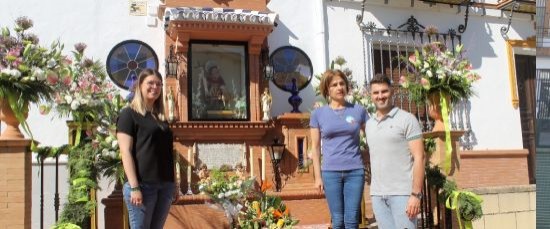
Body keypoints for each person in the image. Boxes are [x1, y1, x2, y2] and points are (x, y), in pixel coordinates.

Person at [117, 68, 175, 229]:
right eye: (150, 83)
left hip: (165, 185)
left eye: (159, 84)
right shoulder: (128, 115)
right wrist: (134, 187)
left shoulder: (160, 118)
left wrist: (172, 183)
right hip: (143, 185)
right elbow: (125, 152)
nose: (155, 87)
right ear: (140, 86)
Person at [310, 70, 369, 229]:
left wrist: (370, 159)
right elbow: (315, 148)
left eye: (342, 83)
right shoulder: (318, 114)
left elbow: (372, 137)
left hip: (355, 171)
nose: (339, 87)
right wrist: (318, 177)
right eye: (334, 84)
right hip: (330, 173)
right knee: (338, 220)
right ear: (327, 89)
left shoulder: (359, 111)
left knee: (351, 220)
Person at [365, 74, 425, 229]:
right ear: (370, 95)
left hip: (403, 194)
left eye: (384, 91)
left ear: (392, 92)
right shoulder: (369, 124)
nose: (380, 96)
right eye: (376, 92)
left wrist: (416, 195)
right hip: (378, 196)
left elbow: (419, 157)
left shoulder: (407, 119)